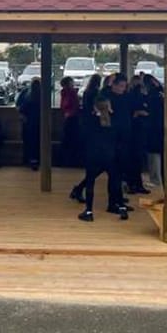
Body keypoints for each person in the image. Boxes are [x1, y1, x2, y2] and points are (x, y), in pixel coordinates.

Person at [78, 97, 129, 222]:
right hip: (111, 155)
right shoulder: (115, 121)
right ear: (109, 107)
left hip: (93, 155)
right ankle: (122, 207)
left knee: (90, 182)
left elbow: (83, 136)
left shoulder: (90, 121)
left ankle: (89, 211)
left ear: (95, 107)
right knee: (115, 182)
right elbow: (121, 138)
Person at [99, 73, 132, 212]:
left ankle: (119, 201)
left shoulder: (124, 97)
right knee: (113, 173)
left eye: (125, 86)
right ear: (114, 85)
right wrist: (108, 83)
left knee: (119, 173)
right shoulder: (108, 97)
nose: (123, 89)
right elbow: (101, 95)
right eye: (121, 86)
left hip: (123, 139)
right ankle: (112, 204)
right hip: (112, 139)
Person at [69, 73, 102, 203]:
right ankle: (80, 189)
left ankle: (79, 188)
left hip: (87, 127)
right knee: (99, 166)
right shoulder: (96, 93)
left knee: (95, 166)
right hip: (95, 129)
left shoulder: (87, 92)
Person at [127, 76, 151, 195]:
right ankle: (133, 184)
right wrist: (137, 113)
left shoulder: (136, 95)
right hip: (135, 130)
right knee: (134, 159)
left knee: (138, 159)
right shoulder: (133, 96)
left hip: (140, 130)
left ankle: (137, 184)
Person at [143, 73, 164, 188]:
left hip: (152, 128)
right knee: (160, 155)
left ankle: (155, 179)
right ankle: (159, 179)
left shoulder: (151, 96)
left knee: (153, 155)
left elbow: (149, 110)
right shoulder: (162, 93)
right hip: (161, 128)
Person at [59, 76, 83, 168]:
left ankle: (66, 161)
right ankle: (73, 161)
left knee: (67, 139)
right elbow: (76, 105)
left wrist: (66, 112)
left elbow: (63, 105)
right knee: (73, 140)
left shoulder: (64, 93)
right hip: (73, 118)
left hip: (68, 118)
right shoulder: (72, 92)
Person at [18, 77, 41, 170]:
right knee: (37, 142)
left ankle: (28, 160)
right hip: (39, 121)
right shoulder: (42, 93)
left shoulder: (26, 92)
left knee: (28, 141)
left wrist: (22, 115)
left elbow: (18, 104)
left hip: (27, 121)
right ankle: (36, 160)